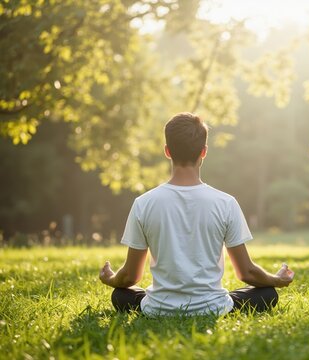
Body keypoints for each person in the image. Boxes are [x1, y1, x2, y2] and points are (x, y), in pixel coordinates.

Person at [98, 112, 294, 315]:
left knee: (120, 295)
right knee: (268, 293)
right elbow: (247, 272)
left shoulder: (143, 203)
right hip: (213, 308)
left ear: (167, 151)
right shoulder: (226, 203)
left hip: (158, 309)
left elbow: (130, 276)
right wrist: (277, 280)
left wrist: (111, 279)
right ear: (204, 152)